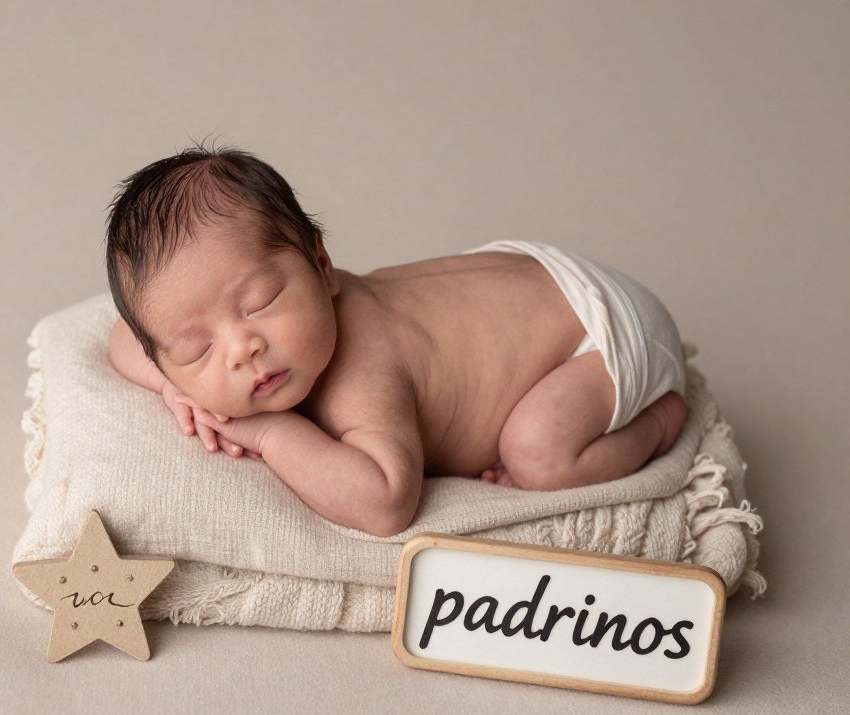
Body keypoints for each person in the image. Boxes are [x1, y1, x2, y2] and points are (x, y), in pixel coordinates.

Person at [105, 144, 688, 537]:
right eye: (196, 350)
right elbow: (123, 341)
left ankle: (660, 419)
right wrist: (174, 386)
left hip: (600, 328)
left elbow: (386, 503)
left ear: (322, 265)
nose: (241, 349)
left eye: (260, 303)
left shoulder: (363, 372)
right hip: (528, 290)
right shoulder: (211, 348)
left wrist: (267, 430)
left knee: (537, 452)